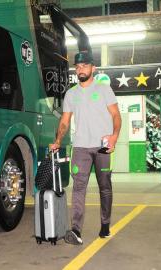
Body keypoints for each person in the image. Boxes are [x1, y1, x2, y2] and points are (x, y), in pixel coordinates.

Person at [49, 50, 121, 245]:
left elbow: (116, 116)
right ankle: (76, 230)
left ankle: (105, 225)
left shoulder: (104, 89)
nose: (80, 69)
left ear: (93, 68)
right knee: (78, 187)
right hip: (80, 147)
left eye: (84, 66)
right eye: (78, 67)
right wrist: (58, 140)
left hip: (103, 147)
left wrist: (114, 136)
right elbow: (65, 121)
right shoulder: (71, 94)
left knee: (105, 186)